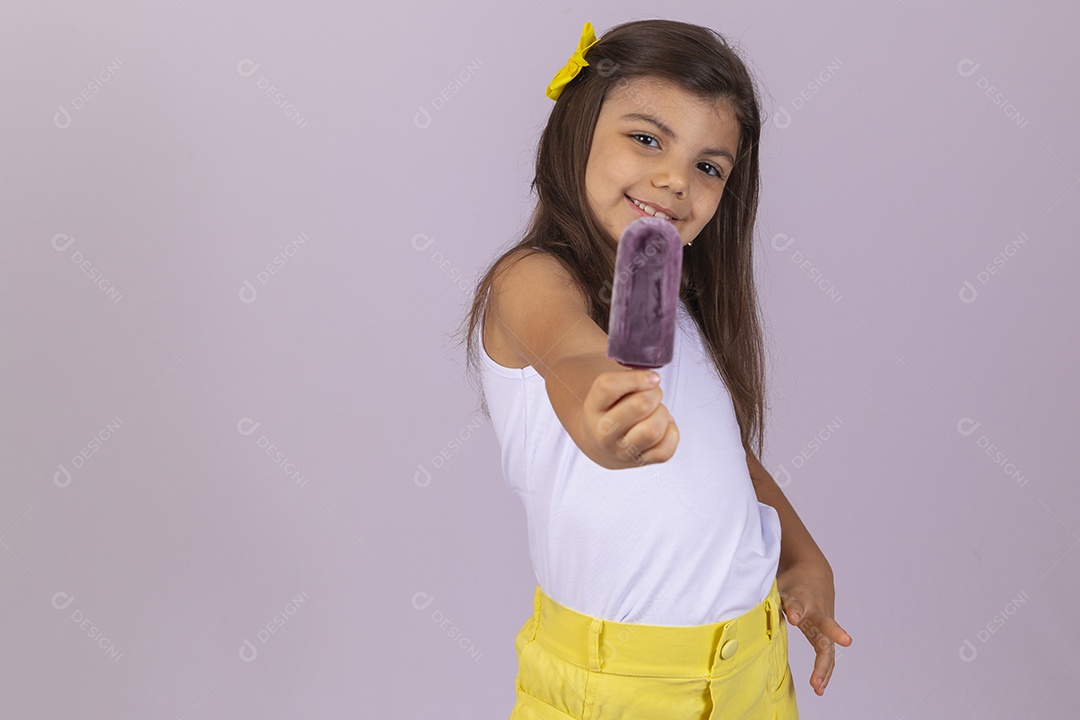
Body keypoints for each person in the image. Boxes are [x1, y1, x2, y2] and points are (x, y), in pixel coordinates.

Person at [456, 18, 852, 719]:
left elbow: (730, 460)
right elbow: (569, 354)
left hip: (755, 668)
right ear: (576, 131)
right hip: (622, 688)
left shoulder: (684, 311)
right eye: (645, 139)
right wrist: (600, 411)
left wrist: (804, 558)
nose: (675, 180)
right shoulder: (530, 279)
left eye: (709, 166)